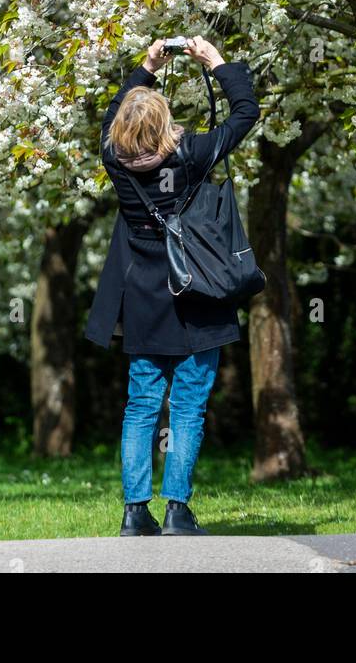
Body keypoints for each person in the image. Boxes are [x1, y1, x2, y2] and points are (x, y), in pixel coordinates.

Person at [84, 35, 261, 537]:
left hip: (142, 298)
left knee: (141, 404)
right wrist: (217, 63)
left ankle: (134, 511)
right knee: (188, 405)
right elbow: (245, 113)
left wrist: (146, 66)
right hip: (198, 292)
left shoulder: (114, 160)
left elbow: (111, 118)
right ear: (164, 124)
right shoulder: (193, 155)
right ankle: (177, 510)